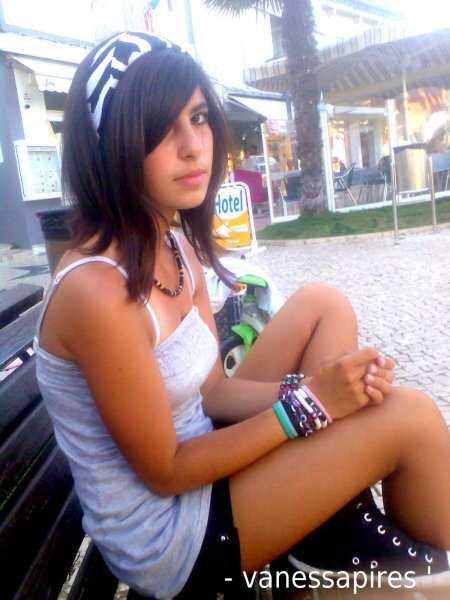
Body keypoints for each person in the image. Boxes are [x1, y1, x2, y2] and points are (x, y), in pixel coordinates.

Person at [34, 31, 450, 599]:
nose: (194, 147)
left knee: (324, 302)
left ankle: (327, 530)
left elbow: (212, 393)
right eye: (162, 128)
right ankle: (409, 576)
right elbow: (167, 469)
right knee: (412, 417)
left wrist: (328, 390)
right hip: (172, 535)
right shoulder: (96, 293)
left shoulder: (172, 241)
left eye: (199, 118)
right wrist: (310, 406)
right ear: (111, 148)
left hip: (204, 456)